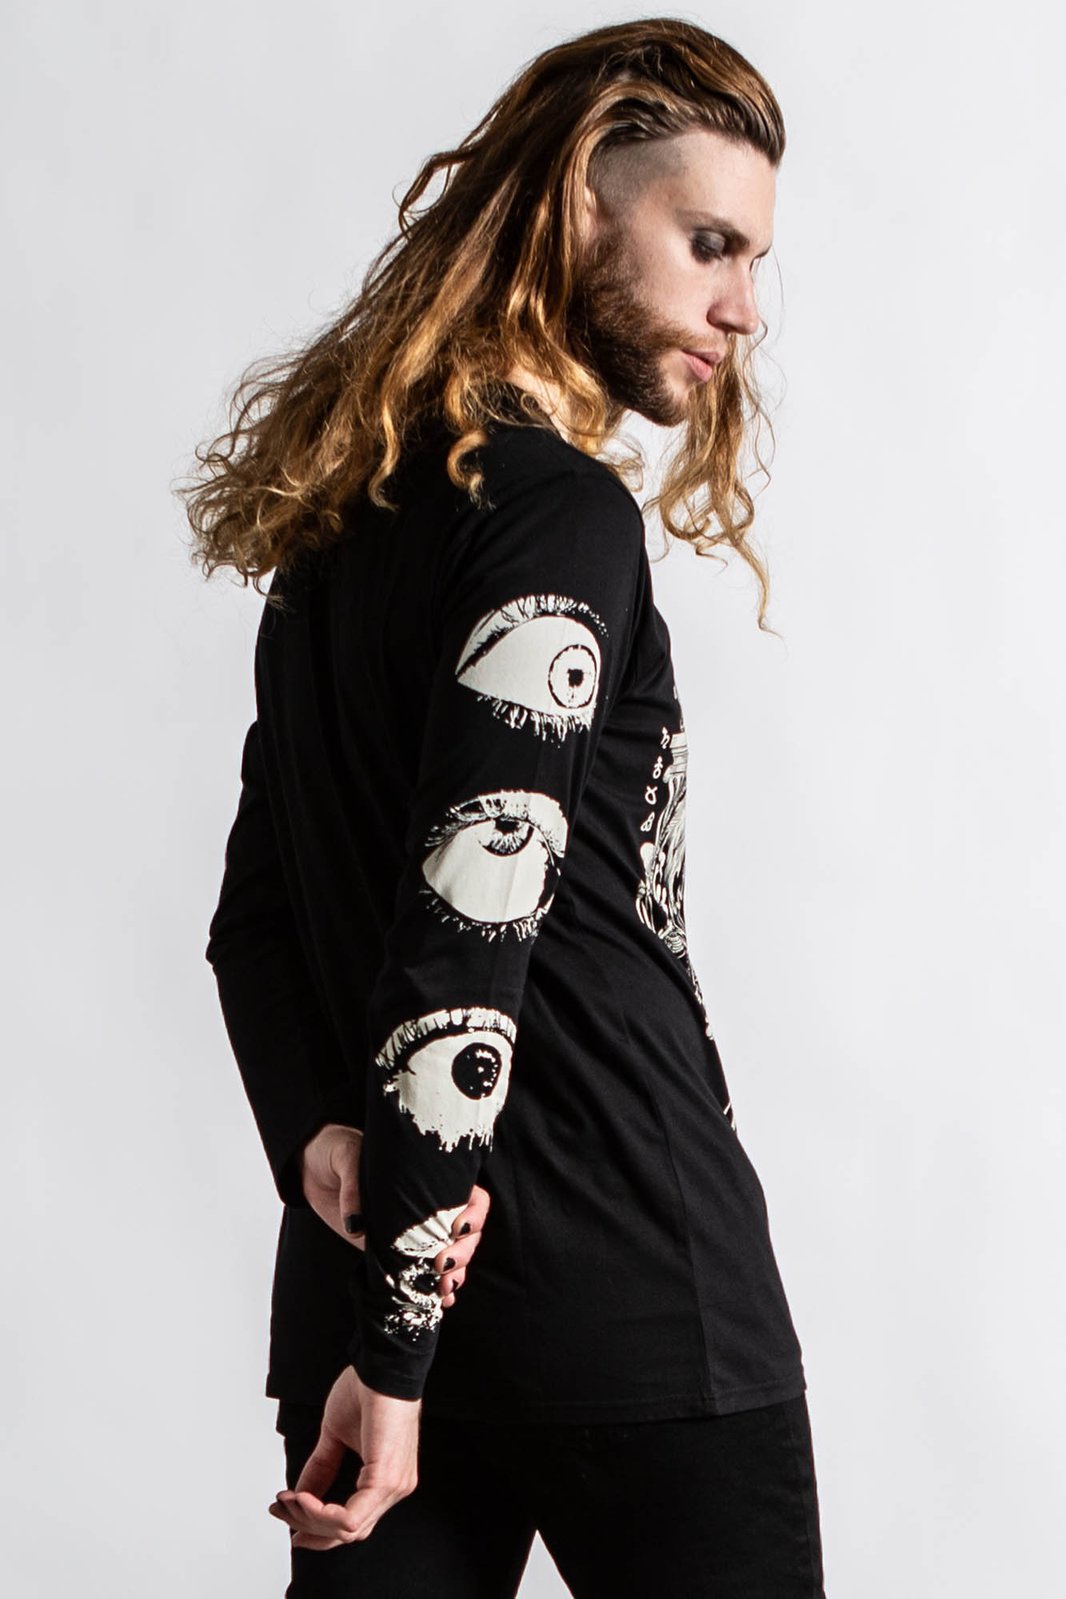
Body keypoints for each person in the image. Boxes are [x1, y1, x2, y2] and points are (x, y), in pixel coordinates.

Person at [180, 17, 827, 1597]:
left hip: (376, 1294)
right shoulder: (555, 514)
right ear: (574, 205)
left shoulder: (337, 526)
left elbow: (254, 926)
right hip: (619, 1288)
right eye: (709, 244)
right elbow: (465, 938)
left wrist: (327, 1152)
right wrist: (398, 1362)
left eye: (752, 261)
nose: (742, 307)